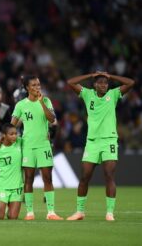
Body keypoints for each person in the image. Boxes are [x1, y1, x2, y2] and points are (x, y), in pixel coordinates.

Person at [66, 72, 134, 221]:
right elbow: (70, 81)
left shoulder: (114, 94)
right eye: (100, 82)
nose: (104, 85)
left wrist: (111, 76)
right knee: (84, 177)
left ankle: (109, 212)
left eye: (105, 83)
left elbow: (130, 83)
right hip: (92, 142)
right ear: (95, 85)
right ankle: (80, 212)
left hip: (109, 140)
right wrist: (91, 75)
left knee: (109, 175)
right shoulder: (87, 94)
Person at [11, 75, 63, 221]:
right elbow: (12, 126)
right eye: (33, 85)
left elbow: (52, 119)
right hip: (28, 146)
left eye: (38, 85)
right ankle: (29, 213)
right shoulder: (21, 105)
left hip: (43, 145)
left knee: (48, 178)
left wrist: (41, 103)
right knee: (28, 179)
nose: (37, 88)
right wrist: (8, 140)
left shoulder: (46, 101)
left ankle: (51, 212)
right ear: (27, 88)